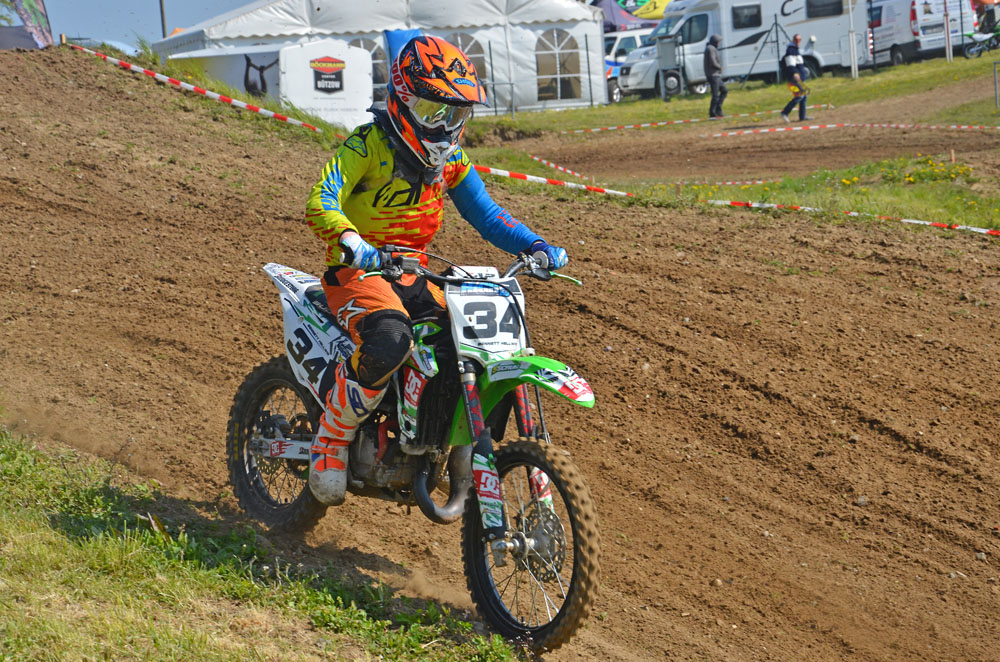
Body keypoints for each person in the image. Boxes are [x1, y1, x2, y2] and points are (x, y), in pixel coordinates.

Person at [303, 35, 569, 506]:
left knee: (477, 344)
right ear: (402, 100)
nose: (444, 127)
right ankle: (331, 438)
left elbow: (486, 214)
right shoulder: (368, 144)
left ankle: (450, 443)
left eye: (456, 114)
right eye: (433, 111)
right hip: (359, 274)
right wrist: (352, 241)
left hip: (415, 274)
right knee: (391, 340)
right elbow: (322, 198)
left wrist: (535, 245)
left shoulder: (451, 161)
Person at [780, 34, 810, 123]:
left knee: (804, 95)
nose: (798, 41)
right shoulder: (790, 50)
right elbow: (790, 65)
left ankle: (802, 116)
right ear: (793, 40)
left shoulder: (796, 50)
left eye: (800, 39)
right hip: (794, 79)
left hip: (800, 78)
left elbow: (798, 64)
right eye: (796, 39)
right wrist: (795, 73)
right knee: (800, 95)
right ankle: (784, 113)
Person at [704, 34, 726, 119]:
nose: (719, 43)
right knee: (715, 95)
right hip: (713, 75)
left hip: (716, 75)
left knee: (724, 90)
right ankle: (712, 113)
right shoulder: (711, 49)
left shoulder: (712, 48)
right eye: (719, 42)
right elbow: (712, 61)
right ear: (715, 42)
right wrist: (719, 67)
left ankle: (718, 108)